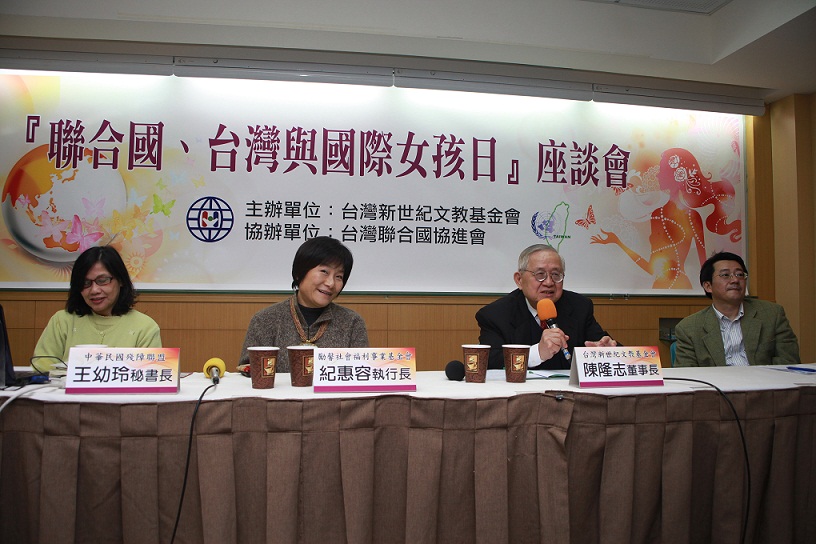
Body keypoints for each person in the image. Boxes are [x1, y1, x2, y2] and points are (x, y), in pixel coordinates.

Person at [238, 236, 369, 373]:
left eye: (339, 277)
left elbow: (362, 373)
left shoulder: (352, 322)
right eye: (324, 272)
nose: (331, 283)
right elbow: (247, 372)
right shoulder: (265, 320)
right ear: (299, 273)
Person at [475, 244, 616, 370]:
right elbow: (489, 360)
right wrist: (537, 353)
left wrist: (609, 351)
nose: (549, 282)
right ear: (519, 280)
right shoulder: (495, 314)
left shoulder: (579, 307)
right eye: (540, 274)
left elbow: (607, 345)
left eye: (556, 275)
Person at [33, 245, 162, 371]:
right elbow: (41, 368)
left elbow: (149, 376)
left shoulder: (145, 327)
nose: (94, 290)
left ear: (121, 280)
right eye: (85, 283)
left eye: (102, 280)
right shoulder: (62, 321)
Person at [673, 251, 799, 367]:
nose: (735, 280)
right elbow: (687, 374)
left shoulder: (772, 314)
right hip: (718, 384)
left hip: (763, 382)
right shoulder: (689, 328)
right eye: (725, 275)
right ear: (708, 286)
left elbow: (789, 362)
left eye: (740, 274)